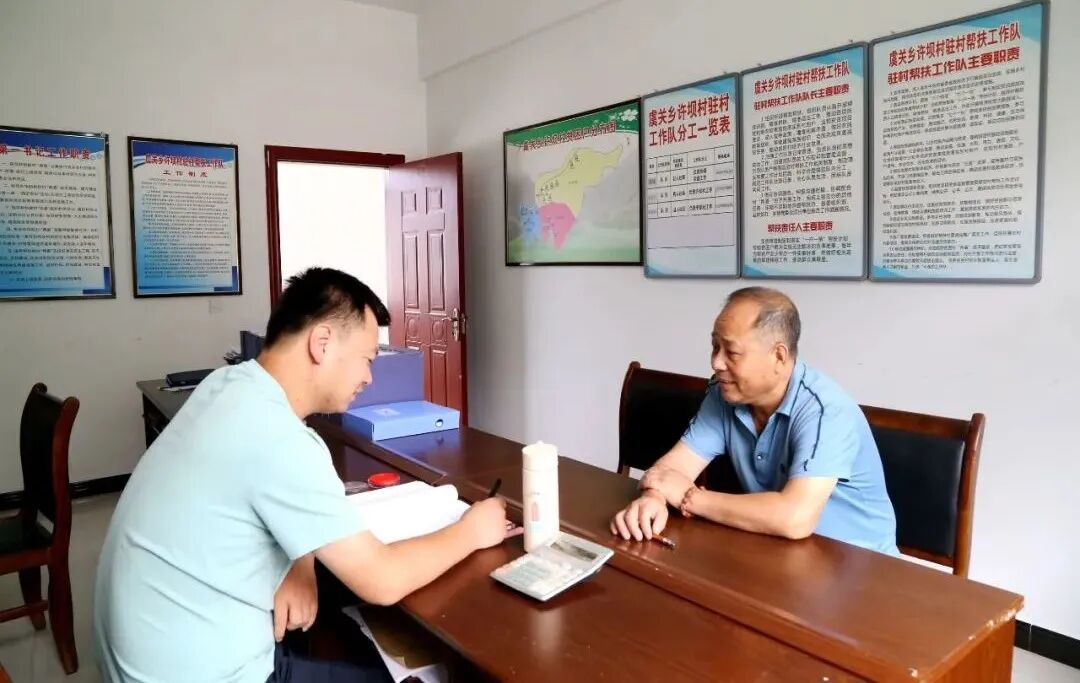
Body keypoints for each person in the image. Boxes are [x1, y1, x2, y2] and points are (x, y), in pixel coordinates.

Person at [94, 267, 518, 682]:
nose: (369, 377)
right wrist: (472, 530)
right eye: (367, 359)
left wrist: (302, 557)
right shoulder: (281, 439)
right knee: (430, 671)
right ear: (322, 343)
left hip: (143, 655)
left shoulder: (229, 385)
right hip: (207, 672)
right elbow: (382, 579)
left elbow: (261, 487)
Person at [611, 287, 898, 556]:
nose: (716, 363)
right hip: (778, 550)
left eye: (731, 352)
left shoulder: (826, 411)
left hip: (861, 564)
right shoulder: (725, 394)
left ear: (778, 356)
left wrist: (690, 497)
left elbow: (795, 518)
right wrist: (654, 498)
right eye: (715, 347)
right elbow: (672, 469)